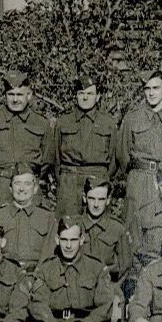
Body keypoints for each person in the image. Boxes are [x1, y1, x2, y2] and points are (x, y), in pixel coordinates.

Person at [0, 70, 54, 209]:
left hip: (27, 189)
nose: (15, 99)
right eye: (11, 94)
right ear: (5, 95)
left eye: (19, 94)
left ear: (29, 95)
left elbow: (48, 158)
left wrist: (31, 177)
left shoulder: (41, 123)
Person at [111, 70, 162, 220]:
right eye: (147, 88)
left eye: (156, 88)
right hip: (138, 180)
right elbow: (122, 154)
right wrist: (136, 175)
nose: (151, 93)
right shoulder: (132, 118)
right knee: (134, 228)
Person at [52, 77, 116, 217]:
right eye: (81, 93)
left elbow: (114, 160)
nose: (85, 98)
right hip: (69, 183)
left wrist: (102, 178)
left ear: (98, 96)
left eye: (90, 94)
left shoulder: (108, 123)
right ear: (76, 95)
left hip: (97, 181)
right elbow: (55, 158)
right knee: (67, 228)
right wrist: (64, 180)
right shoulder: (63, 122)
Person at [0, 164, 56, 271]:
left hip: (37, 277)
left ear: (35, 188)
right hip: (5, 275)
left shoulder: (47, 218)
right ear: (10, 188)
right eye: (17, 183)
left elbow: (49, 255)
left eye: (27, 184)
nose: (22, 189)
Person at [80, 177, 130, 283]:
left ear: (108, 200)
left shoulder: (117, 228)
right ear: (84, 198)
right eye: (92, 198)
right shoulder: (75, 226)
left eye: (101, 199)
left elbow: (125, 266)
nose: (96, 205)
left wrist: (111, 290)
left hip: (107, 288)